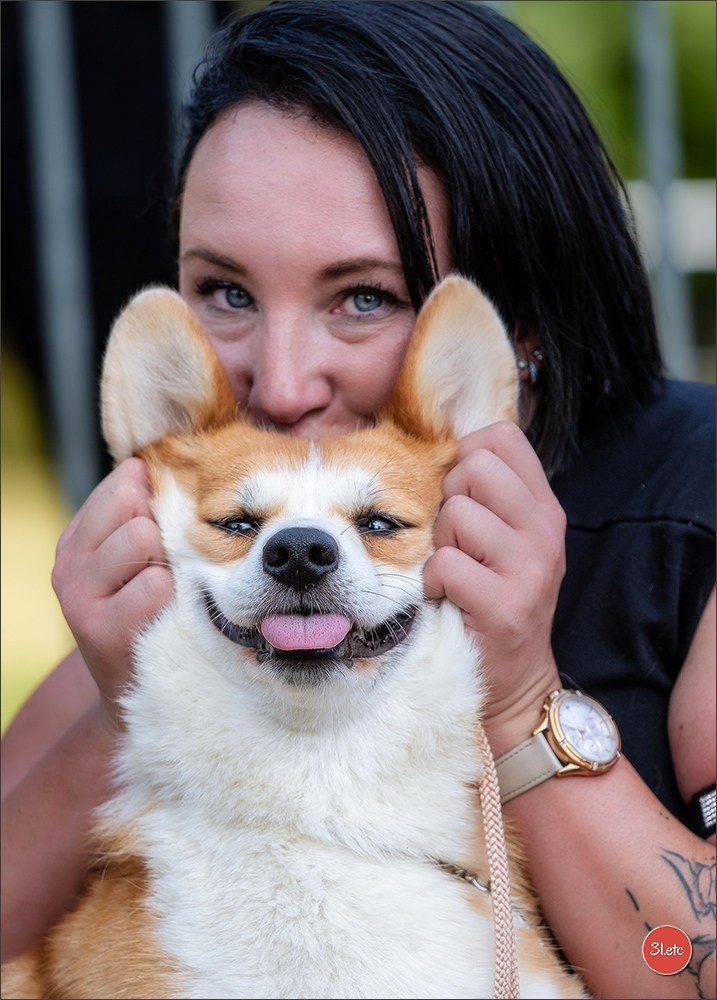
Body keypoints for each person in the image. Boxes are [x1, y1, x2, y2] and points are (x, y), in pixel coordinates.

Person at [2, 2, 714, 996]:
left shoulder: (693, 500)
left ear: (522, 319)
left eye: (363, 297)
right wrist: (142, 693)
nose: (283, 383)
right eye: (227, 291)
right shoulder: (217, 557)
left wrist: (520, 703)